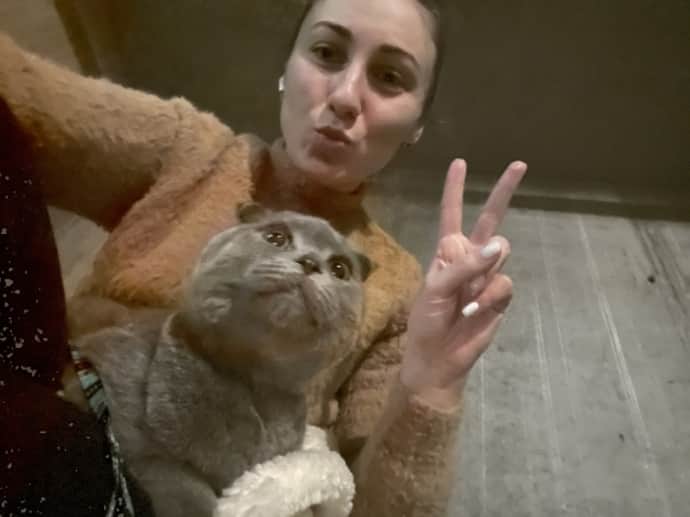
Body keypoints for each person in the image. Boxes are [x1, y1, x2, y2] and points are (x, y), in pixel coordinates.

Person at [0, 0, 526, 515]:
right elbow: (21, 90)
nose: (346, 96)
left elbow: (377, 507)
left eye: (389, 77)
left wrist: (432, 382)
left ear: (416, 125)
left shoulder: (395, 284)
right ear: (285, 71)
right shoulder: (190, 153)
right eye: (326, 53)